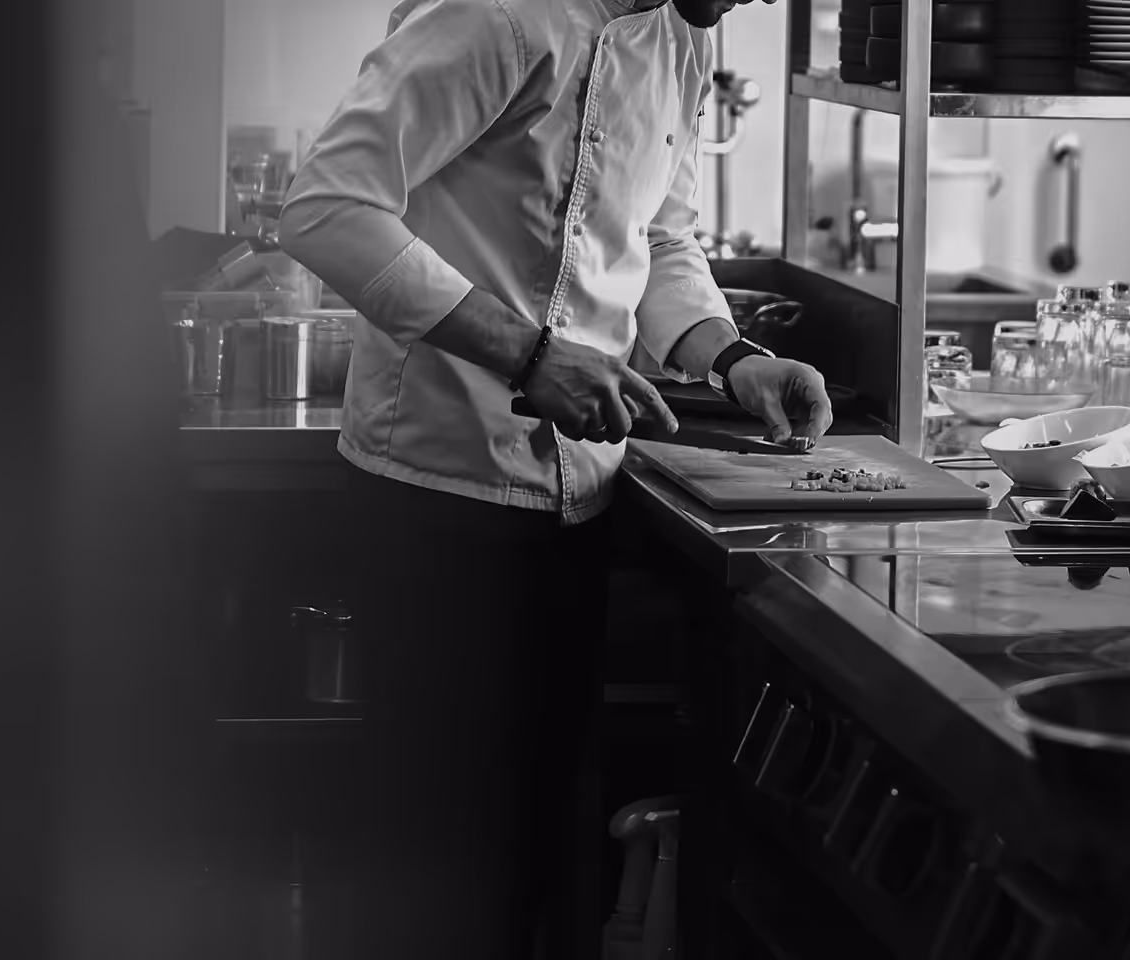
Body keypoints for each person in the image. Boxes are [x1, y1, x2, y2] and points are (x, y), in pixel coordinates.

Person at [276, 2, 820, 959]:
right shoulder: (496, 16)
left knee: (535, 855)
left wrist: (733, 357)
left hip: (578, 502)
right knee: (430, 865)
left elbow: (661, 237)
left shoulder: (684, 34)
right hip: (436, 492)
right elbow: (328, 208)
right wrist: (527, 355)